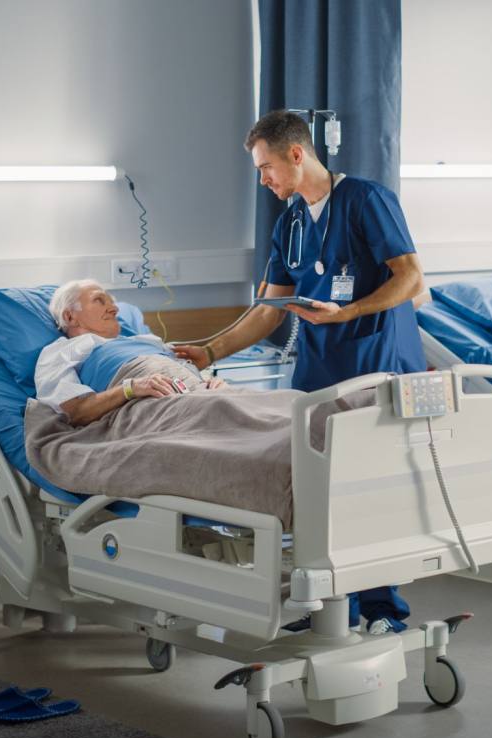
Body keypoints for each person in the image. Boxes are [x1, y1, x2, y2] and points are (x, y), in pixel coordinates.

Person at [174, 110, 427, 635]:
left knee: (370, 491)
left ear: (296, 154)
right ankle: (335, 607)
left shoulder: (366, 200)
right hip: (318, 371)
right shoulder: (289, 224)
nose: (262, 179)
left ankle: (383, 611)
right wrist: (209, 350)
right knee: (320, 492)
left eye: (266, 167)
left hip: (375, 361)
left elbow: (410, 279)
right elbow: (269, 310)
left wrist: (350, 312)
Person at [36, 279, 225, 426]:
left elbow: (184, 375)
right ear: (70, 316)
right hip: (156, 404)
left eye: (112, 302)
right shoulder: (62, 351)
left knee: (242, 407)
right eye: (99, 300)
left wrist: (209, 382)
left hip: (202, 395)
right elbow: (75, 413)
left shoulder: (147, 341)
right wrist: (130, 388)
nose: (114, 308)